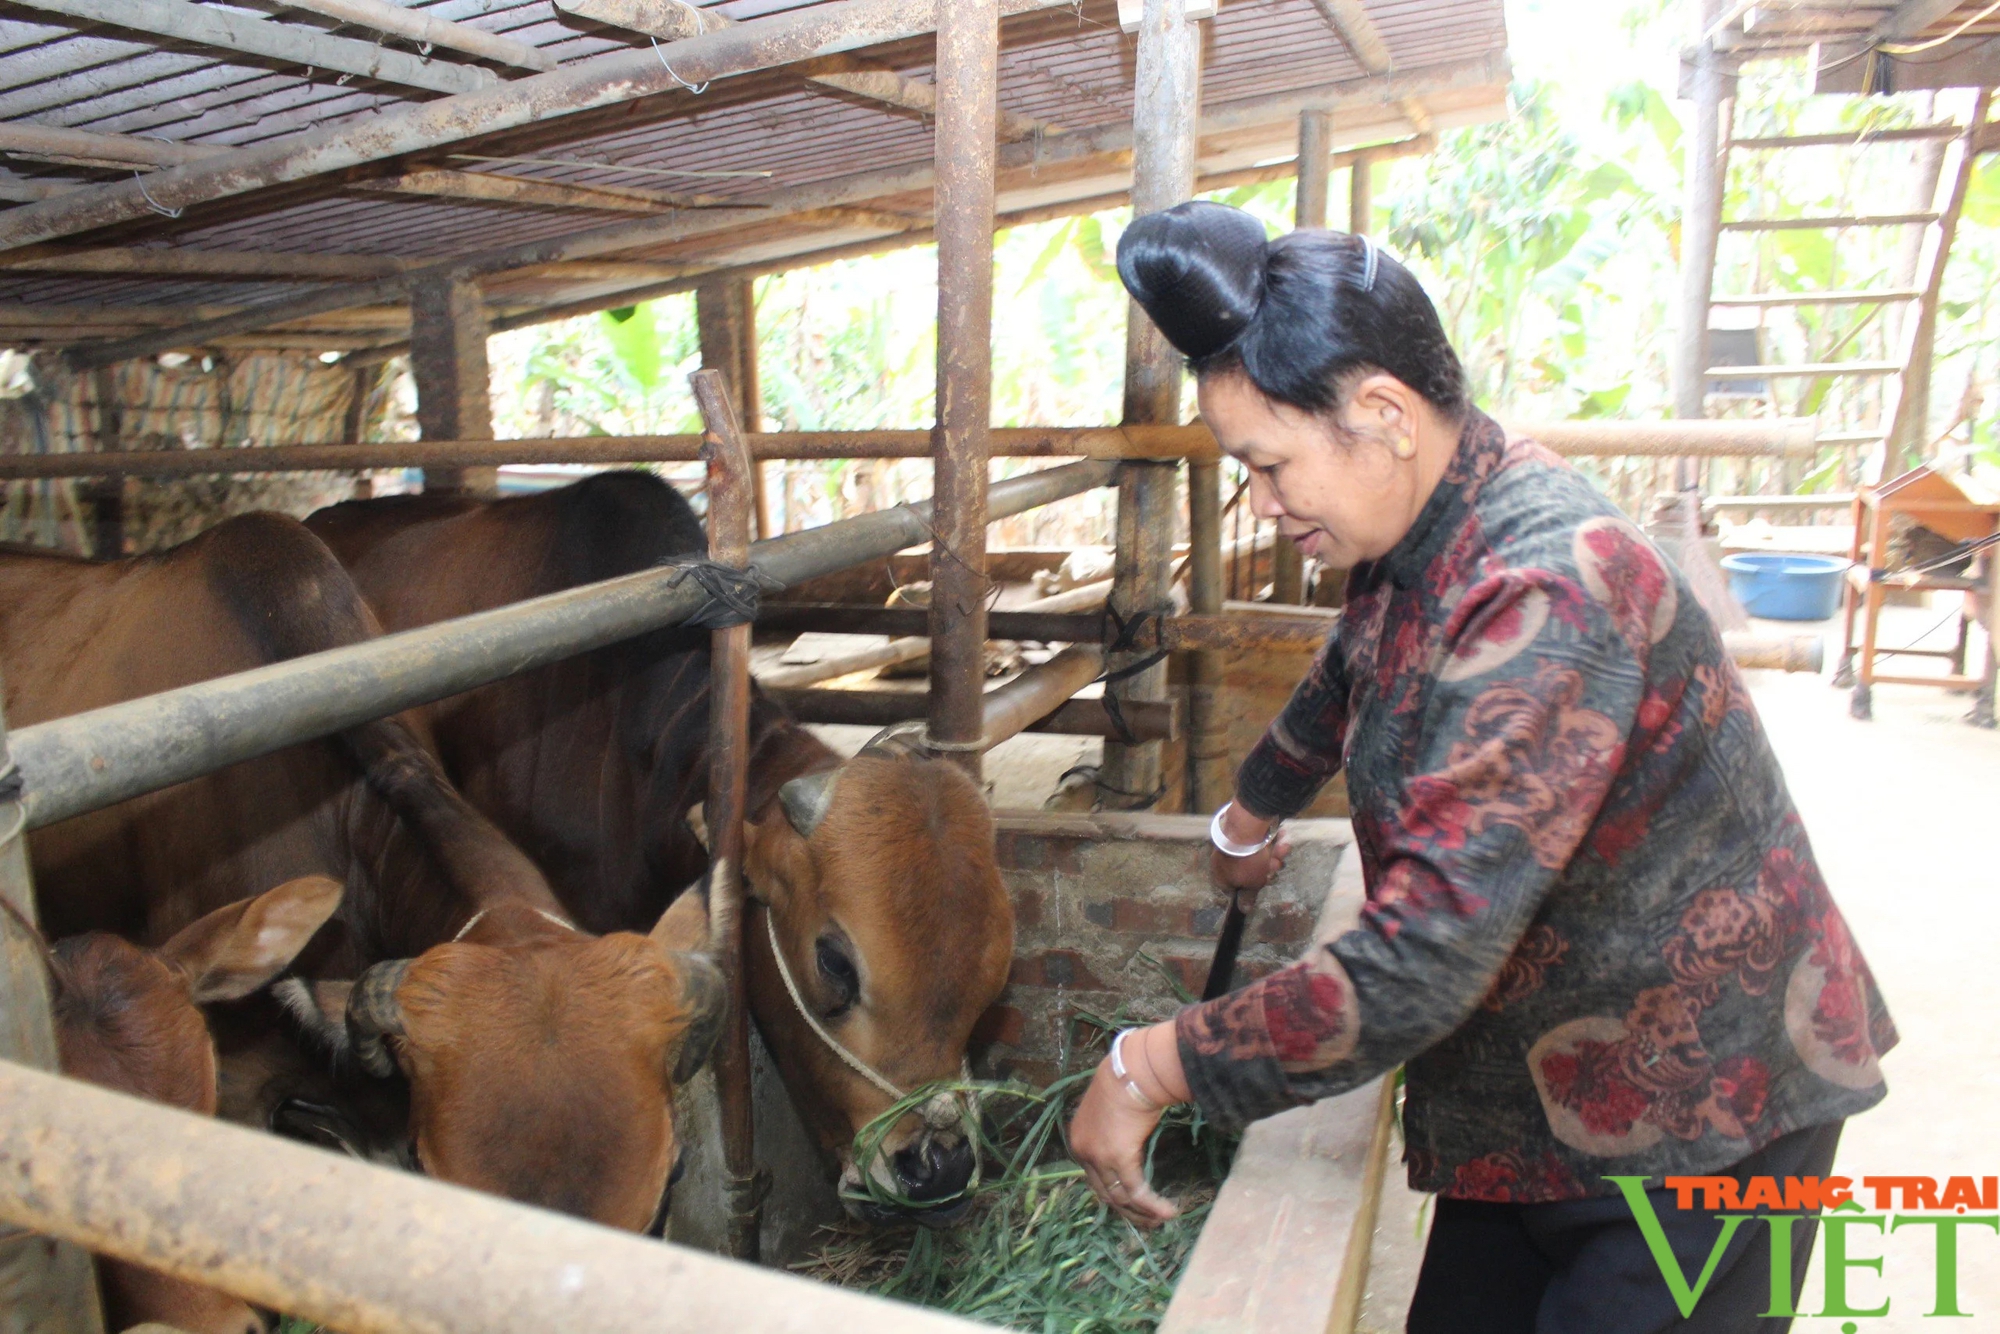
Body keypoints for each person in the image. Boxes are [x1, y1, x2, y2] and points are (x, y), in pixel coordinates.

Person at [1065, 201, 1896, 1334]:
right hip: (1537, 1080)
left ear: (1380, 412)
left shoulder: (1547, 583)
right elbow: (1344, 676)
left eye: (1266, 464)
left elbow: (1418, 958)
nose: (1260, 501)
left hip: (1702, 1104)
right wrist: (1248, 811)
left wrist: (1147, 1066)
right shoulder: (1421, 525)